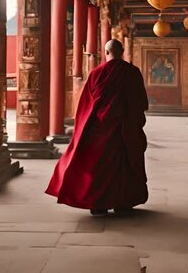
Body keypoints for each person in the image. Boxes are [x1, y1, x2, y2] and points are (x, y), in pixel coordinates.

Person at [45, 39, 149, 216]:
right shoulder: (132, 72)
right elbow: (141, 103)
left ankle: (99, 204)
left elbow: (86, 106)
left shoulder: (96, 73)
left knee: (100, 167)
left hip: (101, 131)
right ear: (122, 51)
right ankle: (123, 202)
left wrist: (83, 131)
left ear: (106, 52)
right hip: (126, 129)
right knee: (124, 164)